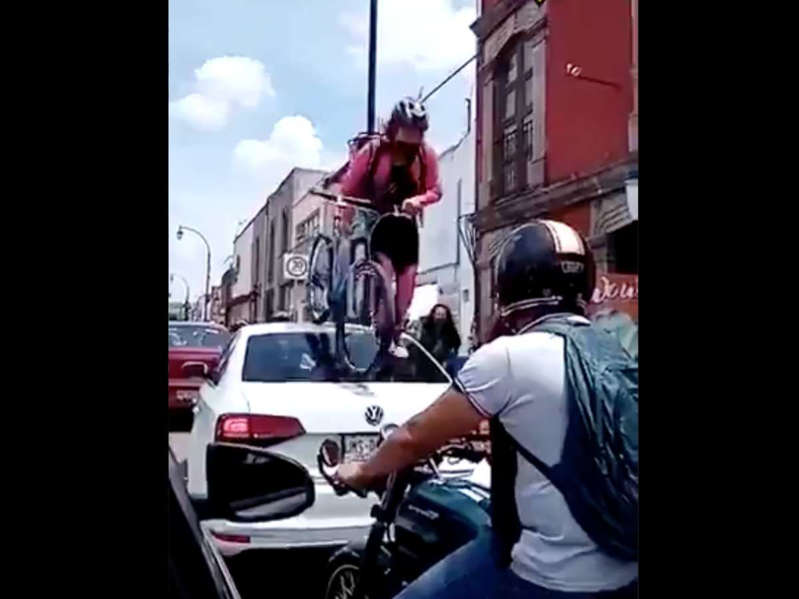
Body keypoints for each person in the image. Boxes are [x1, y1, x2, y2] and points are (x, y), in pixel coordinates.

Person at [334, 220, 638, 598]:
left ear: (509, 284)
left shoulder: (508, 357)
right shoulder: (614, 350)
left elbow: (413, 437)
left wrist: (361, 471)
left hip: (549, 576)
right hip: (625, 565)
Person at [339, 97, 442, 358]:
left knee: (407, 283)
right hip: (375, 218)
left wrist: (418, 201)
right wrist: (344, 218)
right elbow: (349, 188)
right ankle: (376, 314)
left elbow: (435, 190)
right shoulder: (374, 151)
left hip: (405, 223)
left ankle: (396, 331)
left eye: (417, 133)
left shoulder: (425, 154)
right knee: (383, 270)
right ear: (395, 128)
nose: (412, 139)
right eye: (407, 132)